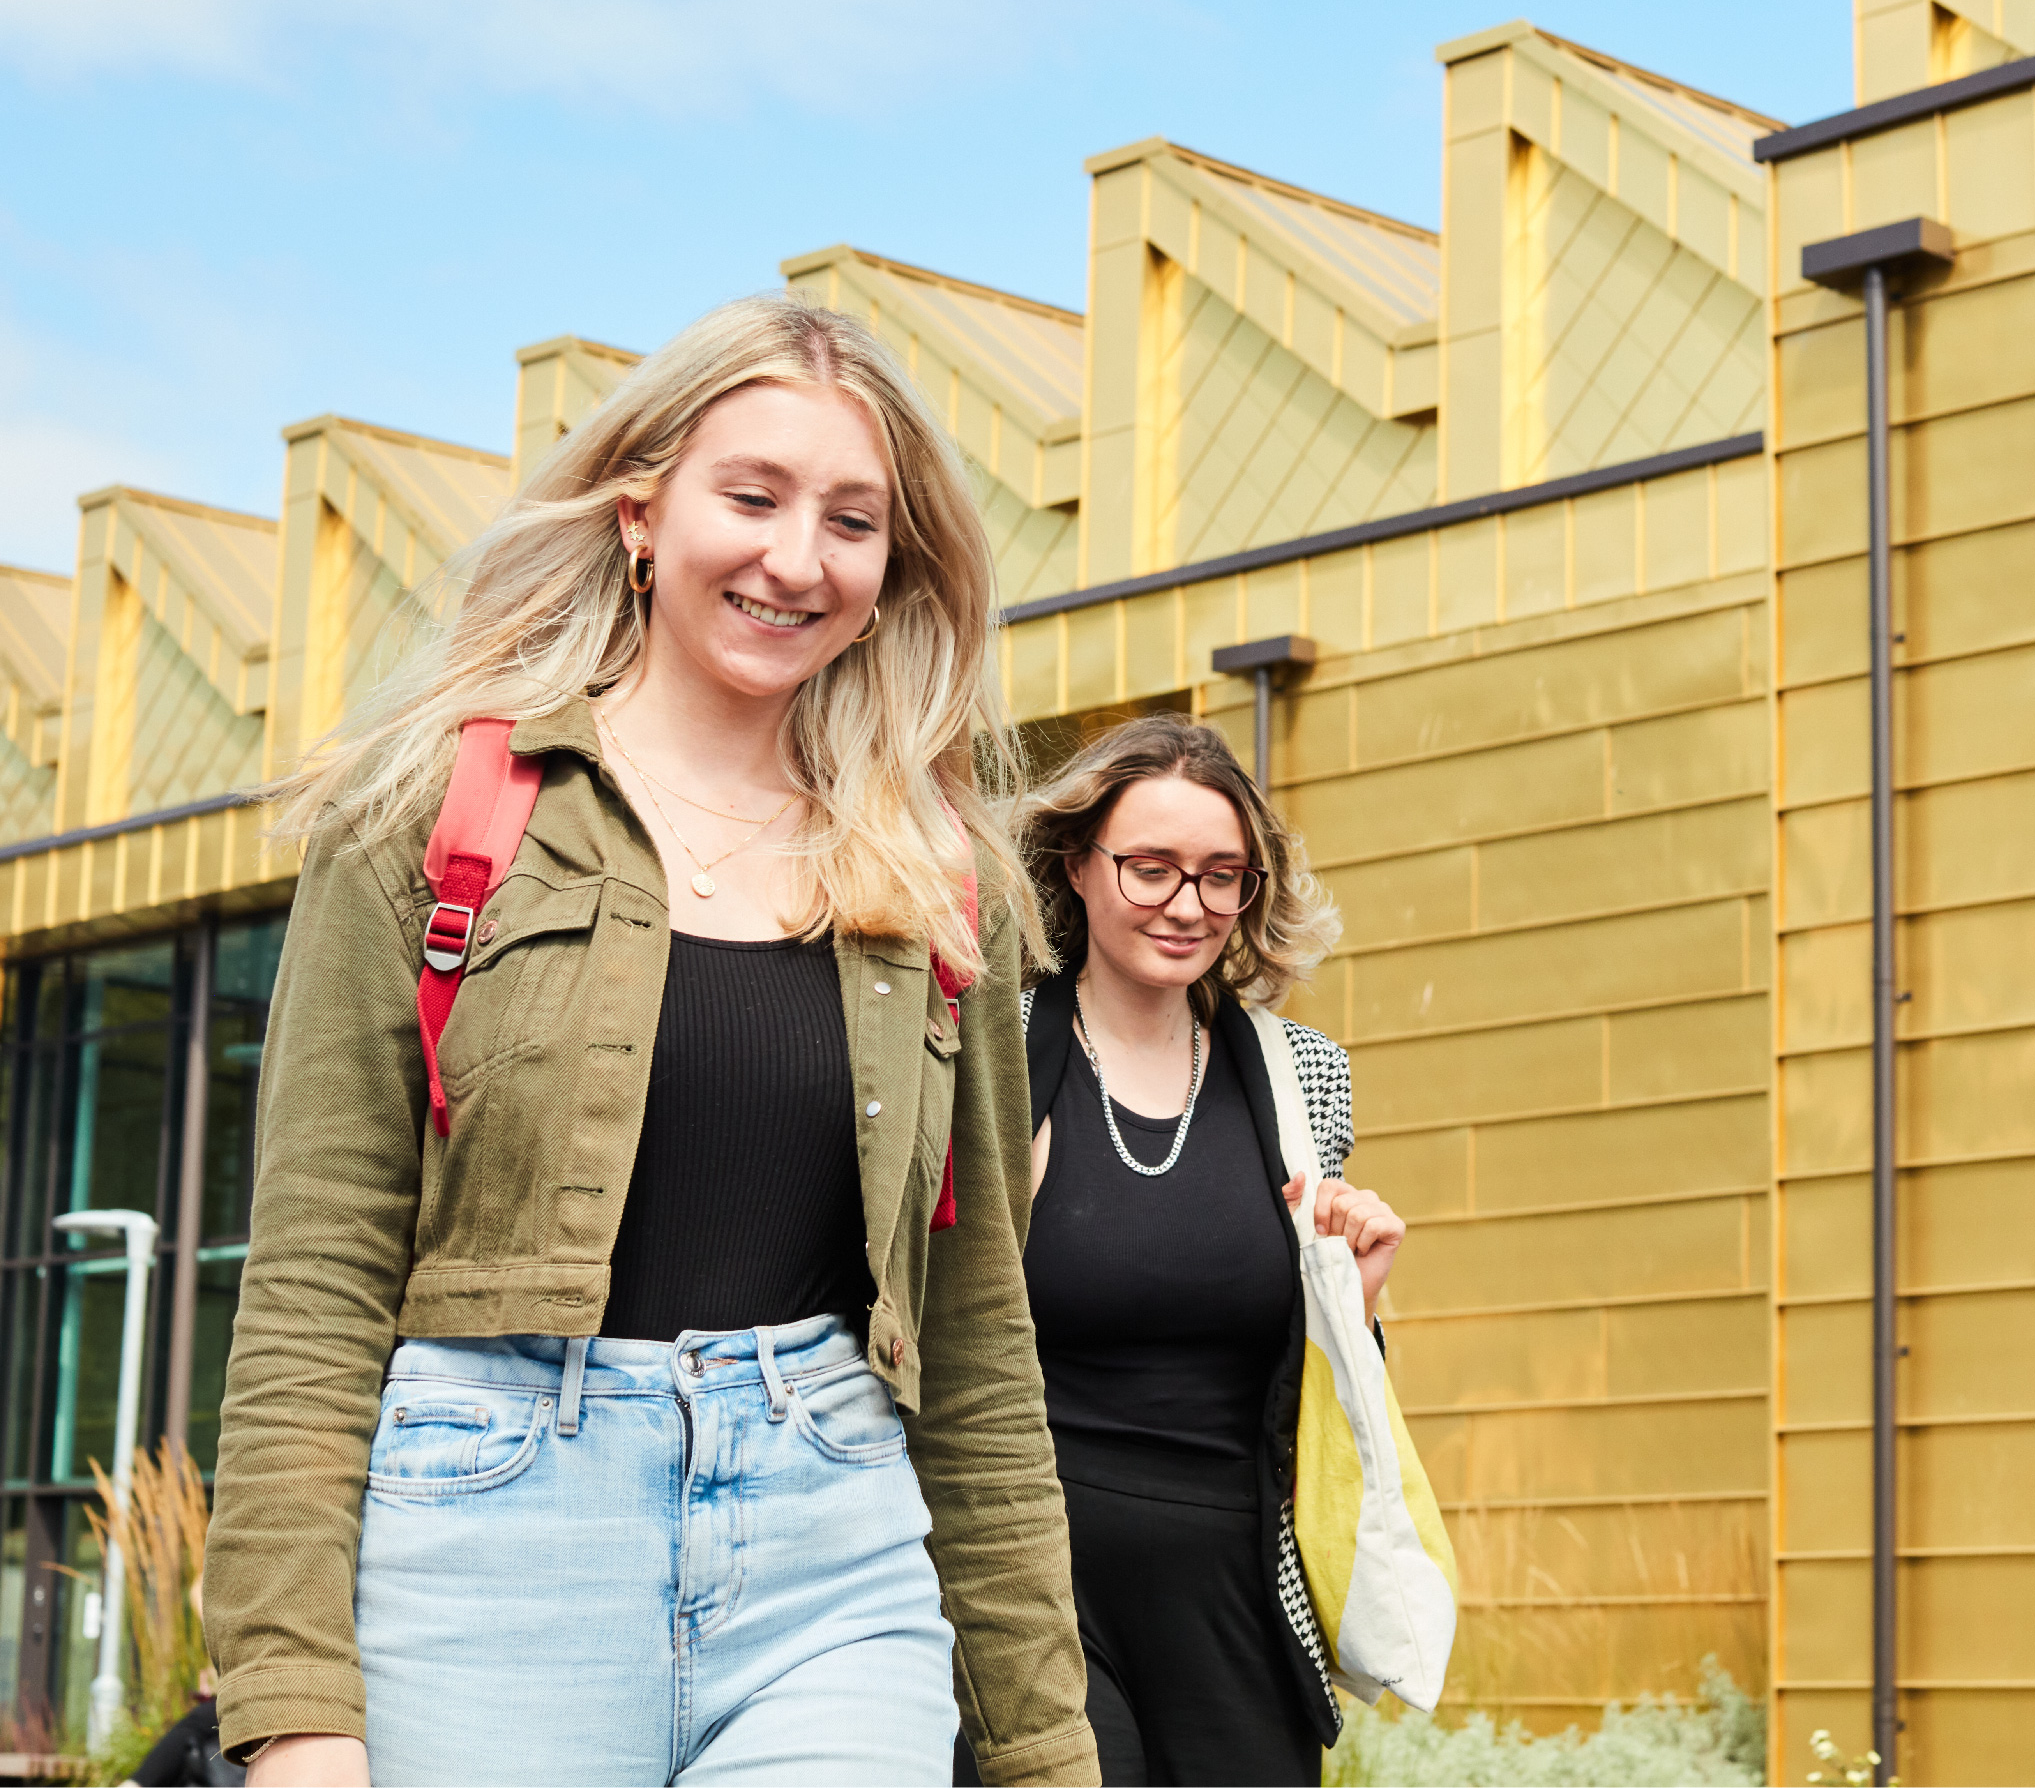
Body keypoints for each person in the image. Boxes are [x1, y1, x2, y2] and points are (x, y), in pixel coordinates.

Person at [201, 295, 1096, 1788]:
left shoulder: (938, 871)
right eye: (749, 496)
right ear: (640, 512)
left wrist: (1042, 1748)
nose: (793, 558)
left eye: (852, 522)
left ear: (890, 573)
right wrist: (296, 1713)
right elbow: (312, 1288)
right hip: (491, 1540)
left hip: (833, 1551)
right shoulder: (425, 816)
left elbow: (978, 1331)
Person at [961, 714, 1406, 1788]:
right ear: (1076, 866)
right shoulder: (992, 1055)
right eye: (1150, 868)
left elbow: (1321, 1391)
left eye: (1221, 876)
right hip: (1030, 1581)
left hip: (1239, 1588)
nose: (1187, 904)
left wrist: (1361, 1296)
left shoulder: (1301, 1076)